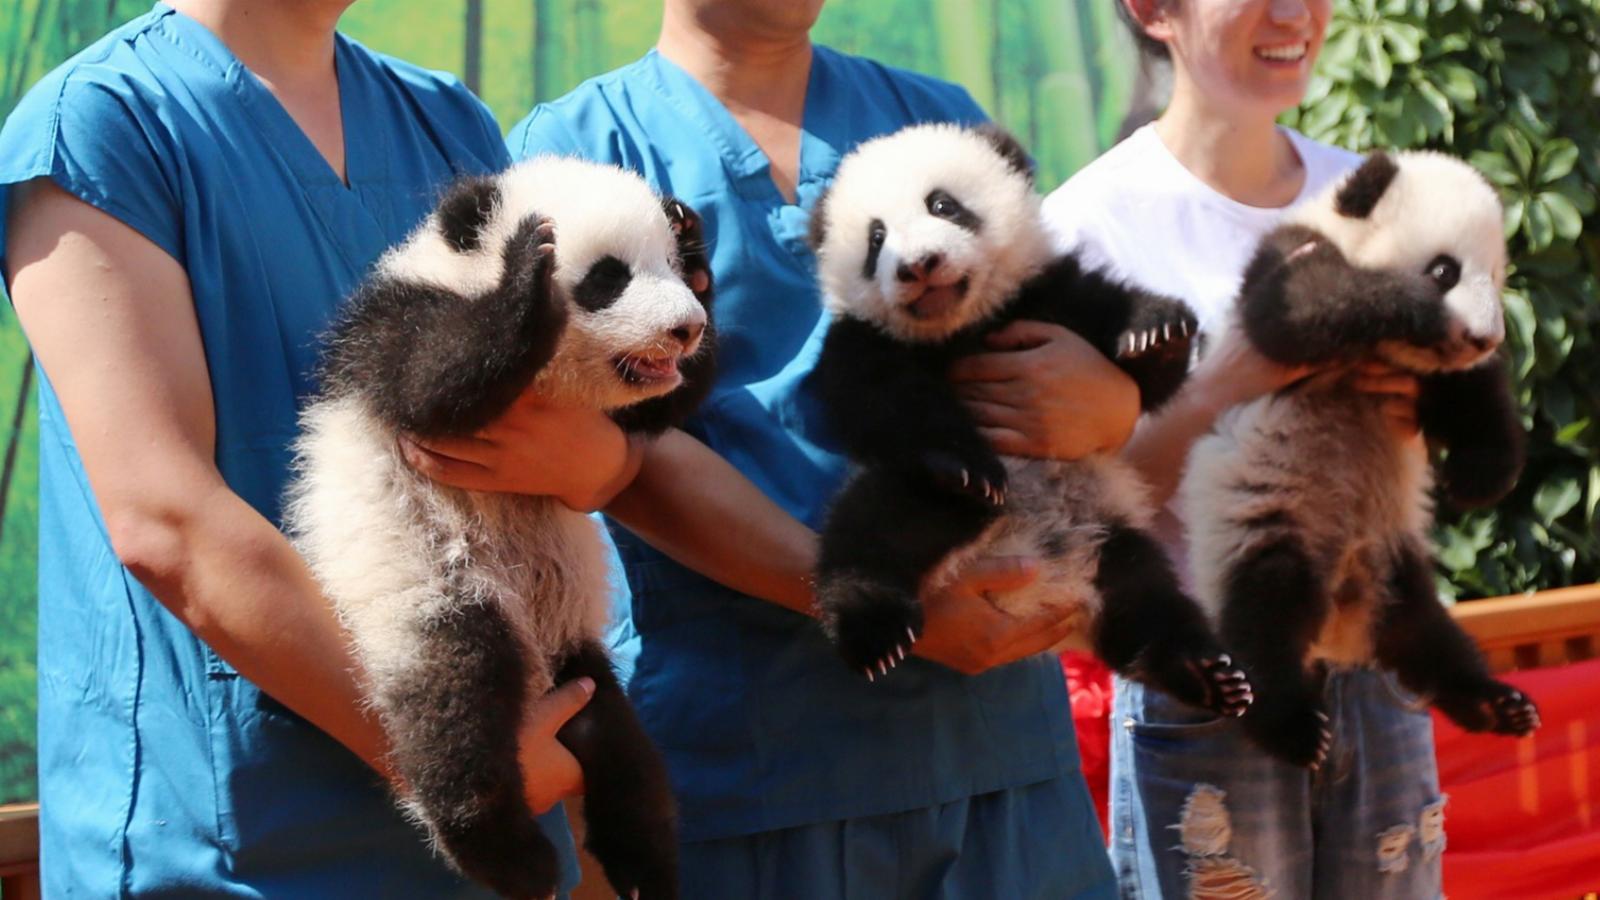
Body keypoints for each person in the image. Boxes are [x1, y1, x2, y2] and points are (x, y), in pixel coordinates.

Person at [400, 0, 1134, 895]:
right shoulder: (576, 156)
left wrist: (1114, 400)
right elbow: (608, 457)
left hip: (1000, 749)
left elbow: (1049, 328)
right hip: (758, 768)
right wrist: (866, 601)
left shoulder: (932, 120)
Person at [0, 1, 590, 893]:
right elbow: (166, 519)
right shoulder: (105, 122)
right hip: (230, 838)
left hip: (479, 828)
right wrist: (464, 768)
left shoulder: (447, 122)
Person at [1040, 0, 1442, 897]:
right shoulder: (1084, 227)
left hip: (1377, 661)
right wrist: (1231, 381)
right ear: (1153, 11)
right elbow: (1075, 514)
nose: (1294, 14)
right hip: (1209, 681)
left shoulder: (1378, 200)